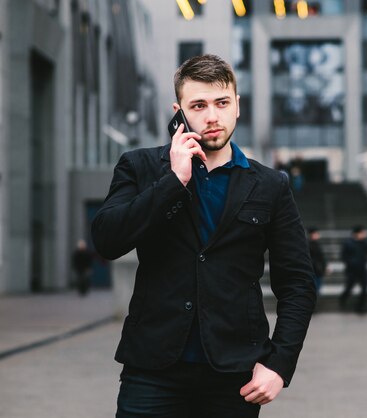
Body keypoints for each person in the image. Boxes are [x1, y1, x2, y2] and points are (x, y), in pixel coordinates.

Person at [91, 54, 317, 417]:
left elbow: (298, 284)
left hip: (233, 374)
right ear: (178, 111)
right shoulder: (140, 166)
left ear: (237, 106)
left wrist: (279, 363)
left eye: (222, 103)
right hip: (152, 369)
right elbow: (107, 241)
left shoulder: (271, 185)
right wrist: (173, 182)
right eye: (198, 105)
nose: (212, 116)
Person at [307, 227, 328, 293]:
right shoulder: (309, 244)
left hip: (317, 270)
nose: (318, 235)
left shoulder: (316, 244)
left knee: (316, 289)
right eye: (317, 233)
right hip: (314, 270)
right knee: (314, 289)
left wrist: (325, 267)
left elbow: (321, 258)